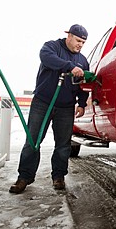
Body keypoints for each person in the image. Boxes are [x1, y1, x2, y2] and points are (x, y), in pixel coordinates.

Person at [9, 24, 90, 193]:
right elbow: (46, 58)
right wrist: (69, 67)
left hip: (66, 107)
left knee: (63, 145)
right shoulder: (52, 47)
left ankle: (58, 177)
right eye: (77, 40)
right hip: (43, 103)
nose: (80, 45)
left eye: (83, 42)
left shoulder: (83, 61)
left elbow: (84, 85)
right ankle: (24, 177)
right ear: (68, 36)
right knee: (33, 141)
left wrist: (82, 104)